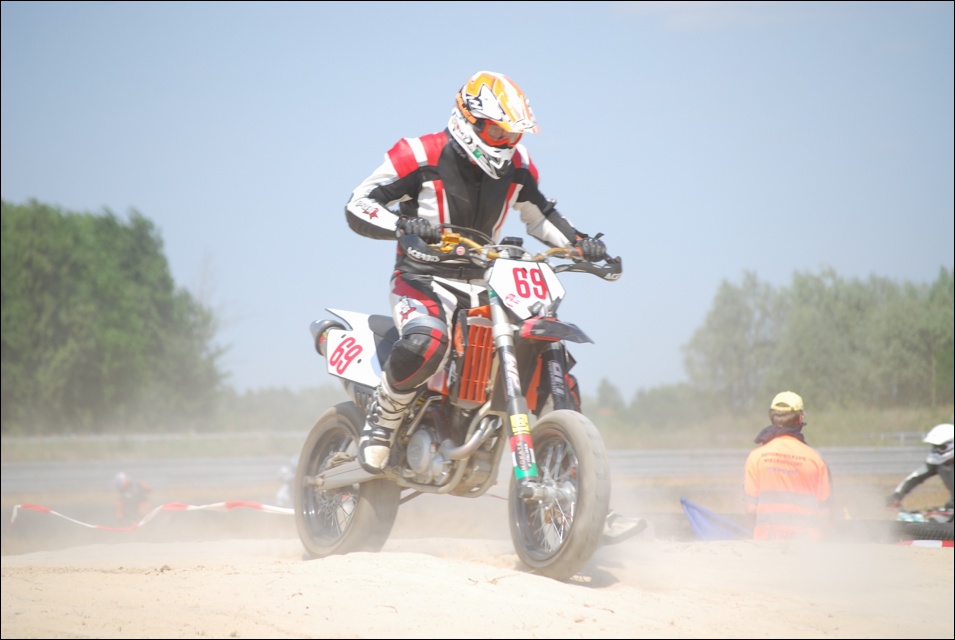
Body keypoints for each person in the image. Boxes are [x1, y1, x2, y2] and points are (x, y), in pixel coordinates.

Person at [344, 70, 641, 543]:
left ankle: (584, 494)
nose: (506, 142)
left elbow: (540, 215)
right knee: (428, 339)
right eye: (497, 132)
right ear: (468, 120)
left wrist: (582, 243)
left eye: (513, 134)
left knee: (547, 354)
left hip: (487, 282)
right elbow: (359, 203)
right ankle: (383, 420)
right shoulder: (417, 153)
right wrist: (404, 224)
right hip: (422, 279)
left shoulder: (518, 165)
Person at [743, 391, 832, 540]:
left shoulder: (756, 457)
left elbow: (751, 509)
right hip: (807, 544)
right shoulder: (816, 459)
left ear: (772, 417)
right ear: (800, 418)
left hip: (766, 542)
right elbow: (825, 514)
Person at [886, 423, 953, 519]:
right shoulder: (936, 463)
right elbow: (915, 478)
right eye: (935, 447)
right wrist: (897, 496)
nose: (937, 450)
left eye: (941, 447)